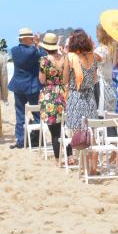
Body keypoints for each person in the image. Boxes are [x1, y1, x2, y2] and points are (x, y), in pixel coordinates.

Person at [63, 30, 99, 172]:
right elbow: (95, 79)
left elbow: (65, 80)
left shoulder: (70, 58)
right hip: (90, 97)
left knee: (79, 134)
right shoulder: (93, 57)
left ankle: (84, 167)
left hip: (76, 97)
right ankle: (93, 166)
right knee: (91, 133)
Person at [8, 27, 42, 149]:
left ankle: (20, 140)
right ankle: (39, 139)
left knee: (20, 114)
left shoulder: (14, 50)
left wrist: (35, 45)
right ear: (27, 39)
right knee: (37, 113)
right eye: (31, 38)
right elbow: (42, 55)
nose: (33, 40)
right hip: (32, 85)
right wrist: (38, 44)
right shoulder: (33, 51)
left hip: (18, 85)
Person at [38, 31, 67, 159]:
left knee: (54, 130)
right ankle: (69, 156)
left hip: (49, 94)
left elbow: (42, 80)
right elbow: (66, 79)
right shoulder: (63, 59)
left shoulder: (44, 61)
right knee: (62, 128)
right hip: (62, 93)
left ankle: (57, 158)